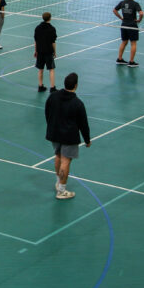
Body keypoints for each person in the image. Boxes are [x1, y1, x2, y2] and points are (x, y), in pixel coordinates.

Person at [44, 72, 90, 200]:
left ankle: (58, 182)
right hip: (69, 136)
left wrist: (51, 126)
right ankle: (62, 190)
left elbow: (47, 112)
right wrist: (87, 140)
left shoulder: (53, 97)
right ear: (76, 85)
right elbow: (83, 124)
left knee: (58, 156)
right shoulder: (77, 103)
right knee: (65, 160)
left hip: (54, 133)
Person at [113, 0, 143, 67]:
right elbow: (141, 13)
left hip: (124, 25)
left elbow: (114, 10)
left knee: (124, 42)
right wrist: (139, 20)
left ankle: (119, 59)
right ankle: (131, 61)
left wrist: (121, 18)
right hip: (132, 26)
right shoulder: (135, 4)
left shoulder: (122, 2)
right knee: (133, 43)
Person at [34, 12, 57, 92]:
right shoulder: (52, 29)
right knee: (51, 69)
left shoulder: (37, 28)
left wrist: (36, 51)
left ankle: (40, 86)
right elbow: (53, 42)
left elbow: (36, 41)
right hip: (48, 51)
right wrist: (54, 52)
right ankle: (52, 88)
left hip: (40, 51)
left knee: (40, 69)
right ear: (50, 18)